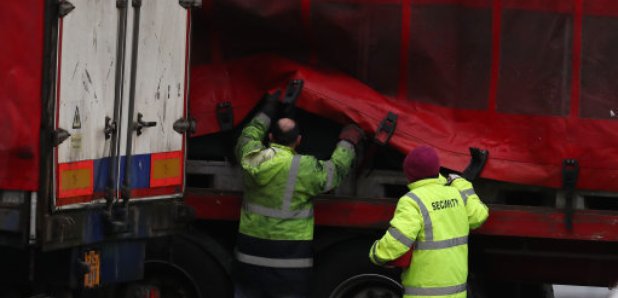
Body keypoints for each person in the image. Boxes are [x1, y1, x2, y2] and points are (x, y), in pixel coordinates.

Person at [234, 92, 364, 298]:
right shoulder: (305, 168)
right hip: (291, 260)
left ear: (270, 137)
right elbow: (335, 170)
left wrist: (267, 111)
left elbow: (246, 138)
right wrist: (348, 142)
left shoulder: (252, 158)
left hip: (250, 256)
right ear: (299, 141)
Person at [369, 145, 489, 298]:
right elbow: (479, 216)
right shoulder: (456, 193)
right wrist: (461, 183)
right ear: (436, 168)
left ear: (409, 174)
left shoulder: (412, 201)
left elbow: (395, 243)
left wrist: (376, 254)